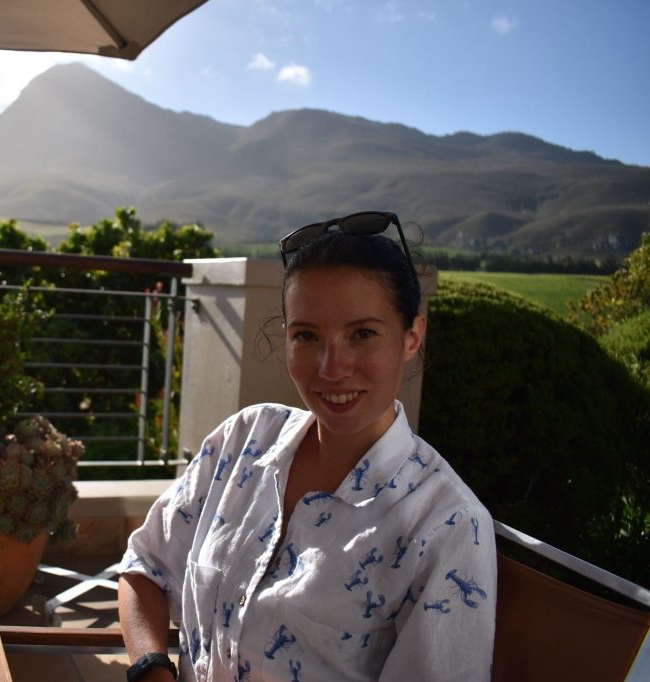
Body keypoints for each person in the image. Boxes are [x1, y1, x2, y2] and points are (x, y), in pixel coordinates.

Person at [118, 212, 497, 682]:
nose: (332, 367)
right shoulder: (245, 441)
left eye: (362, 334)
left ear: (412, 337)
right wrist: (152, 671)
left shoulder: (444, 525)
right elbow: (144, 568)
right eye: (307, 336)